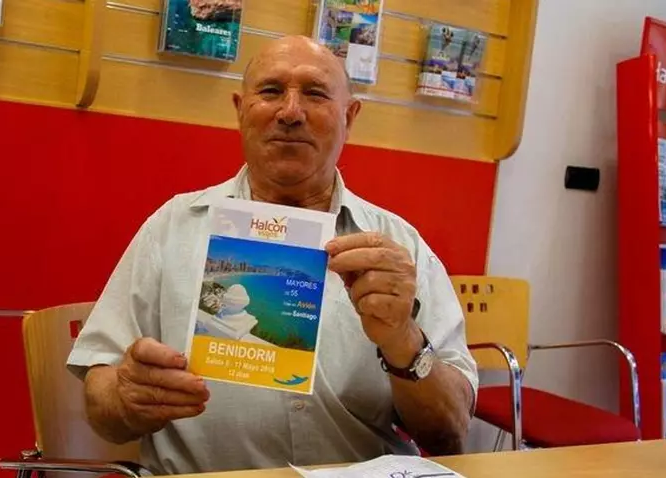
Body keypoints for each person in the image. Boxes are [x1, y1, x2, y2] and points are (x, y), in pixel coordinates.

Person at [66, 35, 478, 475]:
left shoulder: (398, 247)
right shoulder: (172, 227)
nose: (290, 112)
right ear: (240, 109)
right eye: (271, 91)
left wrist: (404, 341)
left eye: (315, 93)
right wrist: (126, 396)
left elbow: (450, 432)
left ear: (350, 116)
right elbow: (101, 402)